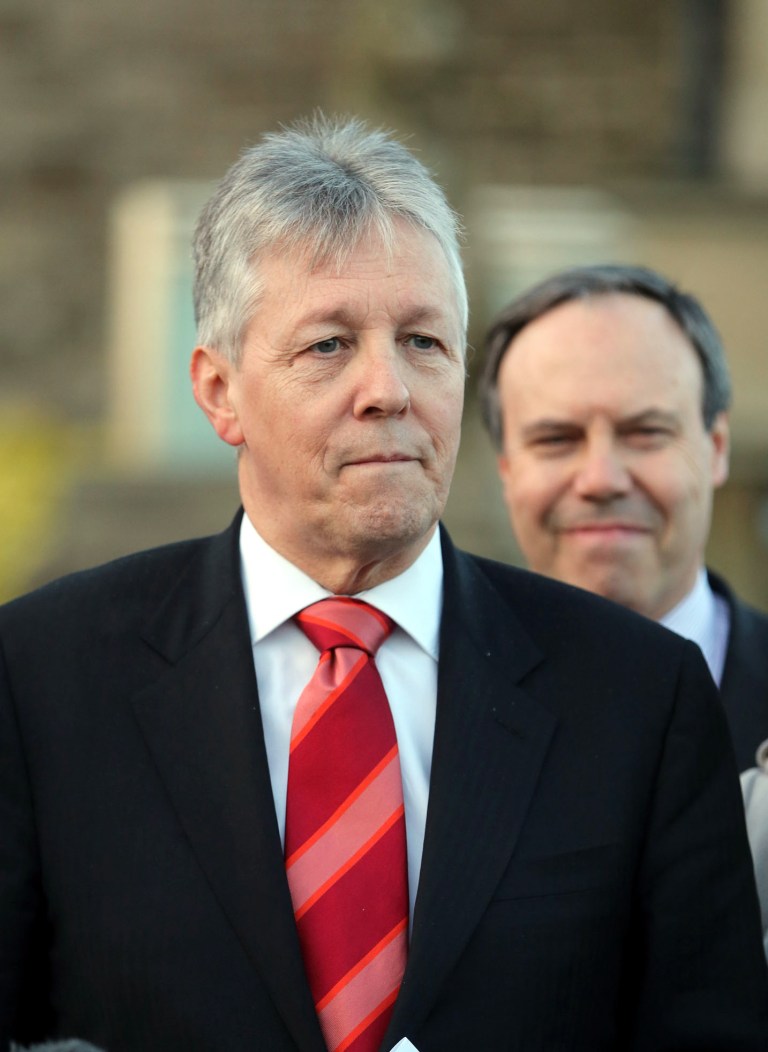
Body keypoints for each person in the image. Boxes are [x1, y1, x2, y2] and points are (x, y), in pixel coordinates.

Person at [0, 119, 766, 1052]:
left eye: (424, 342)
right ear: (218, 391)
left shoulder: (639, 695)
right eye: (329, 345)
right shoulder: (44, 677)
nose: (388, 388)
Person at [480, 263, 768, 775]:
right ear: (506, 469)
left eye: (645, 432)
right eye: (556, 440)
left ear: (717, 448)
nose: (600, 479)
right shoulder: (437, 713)